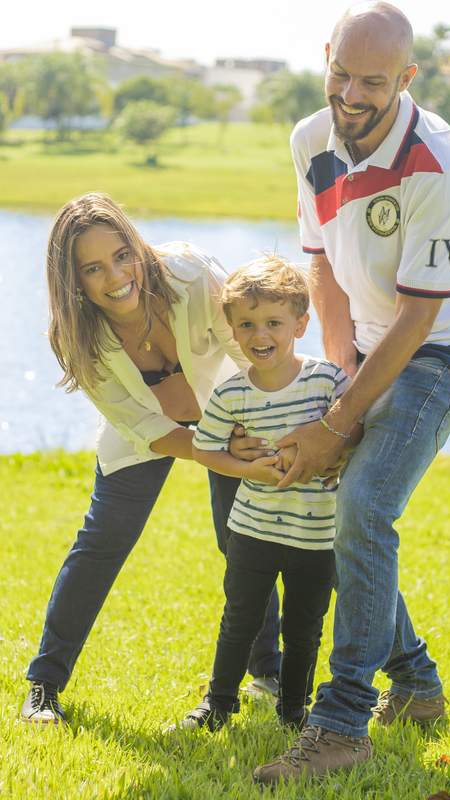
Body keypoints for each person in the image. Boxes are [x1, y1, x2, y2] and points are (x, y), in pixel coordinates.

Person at [252, 1, 450, 784]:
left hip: (437, 353)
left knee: (362, 505)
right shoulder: (309, 139)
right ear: (327, 56)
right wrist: (339, 383)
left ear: (407, 78)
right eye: (341, 74)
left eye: (373, 83)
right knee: (350, 510)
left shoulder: (440, 166)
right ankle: (415, 684)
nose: (351, 95)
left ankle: (343, 723)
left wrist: (339, 420)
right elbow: (320, 263)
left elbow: (420, 316)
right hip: (358, 343)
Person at [20, 192, 282, 724]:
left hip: (232, 409)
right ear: (73, 281)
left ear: (137, 248)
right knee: (102, 541)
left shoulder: (193, 277)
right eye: (93, 268)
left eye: (122, 256)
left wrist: (247, 437)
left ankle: (269, 675)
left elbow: (252, 356)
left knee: (242, 537)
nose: (116, 276)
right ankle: (43, 687)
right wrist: (210, 451)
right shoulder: (77, 336)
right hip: (145, 428)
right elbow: (139, 424)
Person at [165, 255, 362, 735]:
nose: (260, 335)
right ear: (232, 329)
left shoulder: (326, 380)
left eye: (274, 322)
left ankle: (293, 712)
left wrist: (339, 451)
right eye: (247, 324)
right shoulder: (231, 394)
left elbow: (354, 429)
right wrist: (248, 469)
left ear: (300, 325)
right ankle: (218, 705)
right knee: (240, 621)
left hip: (316, 537)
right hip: (251, 532)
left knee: (303, 630)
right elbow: (205, 449)